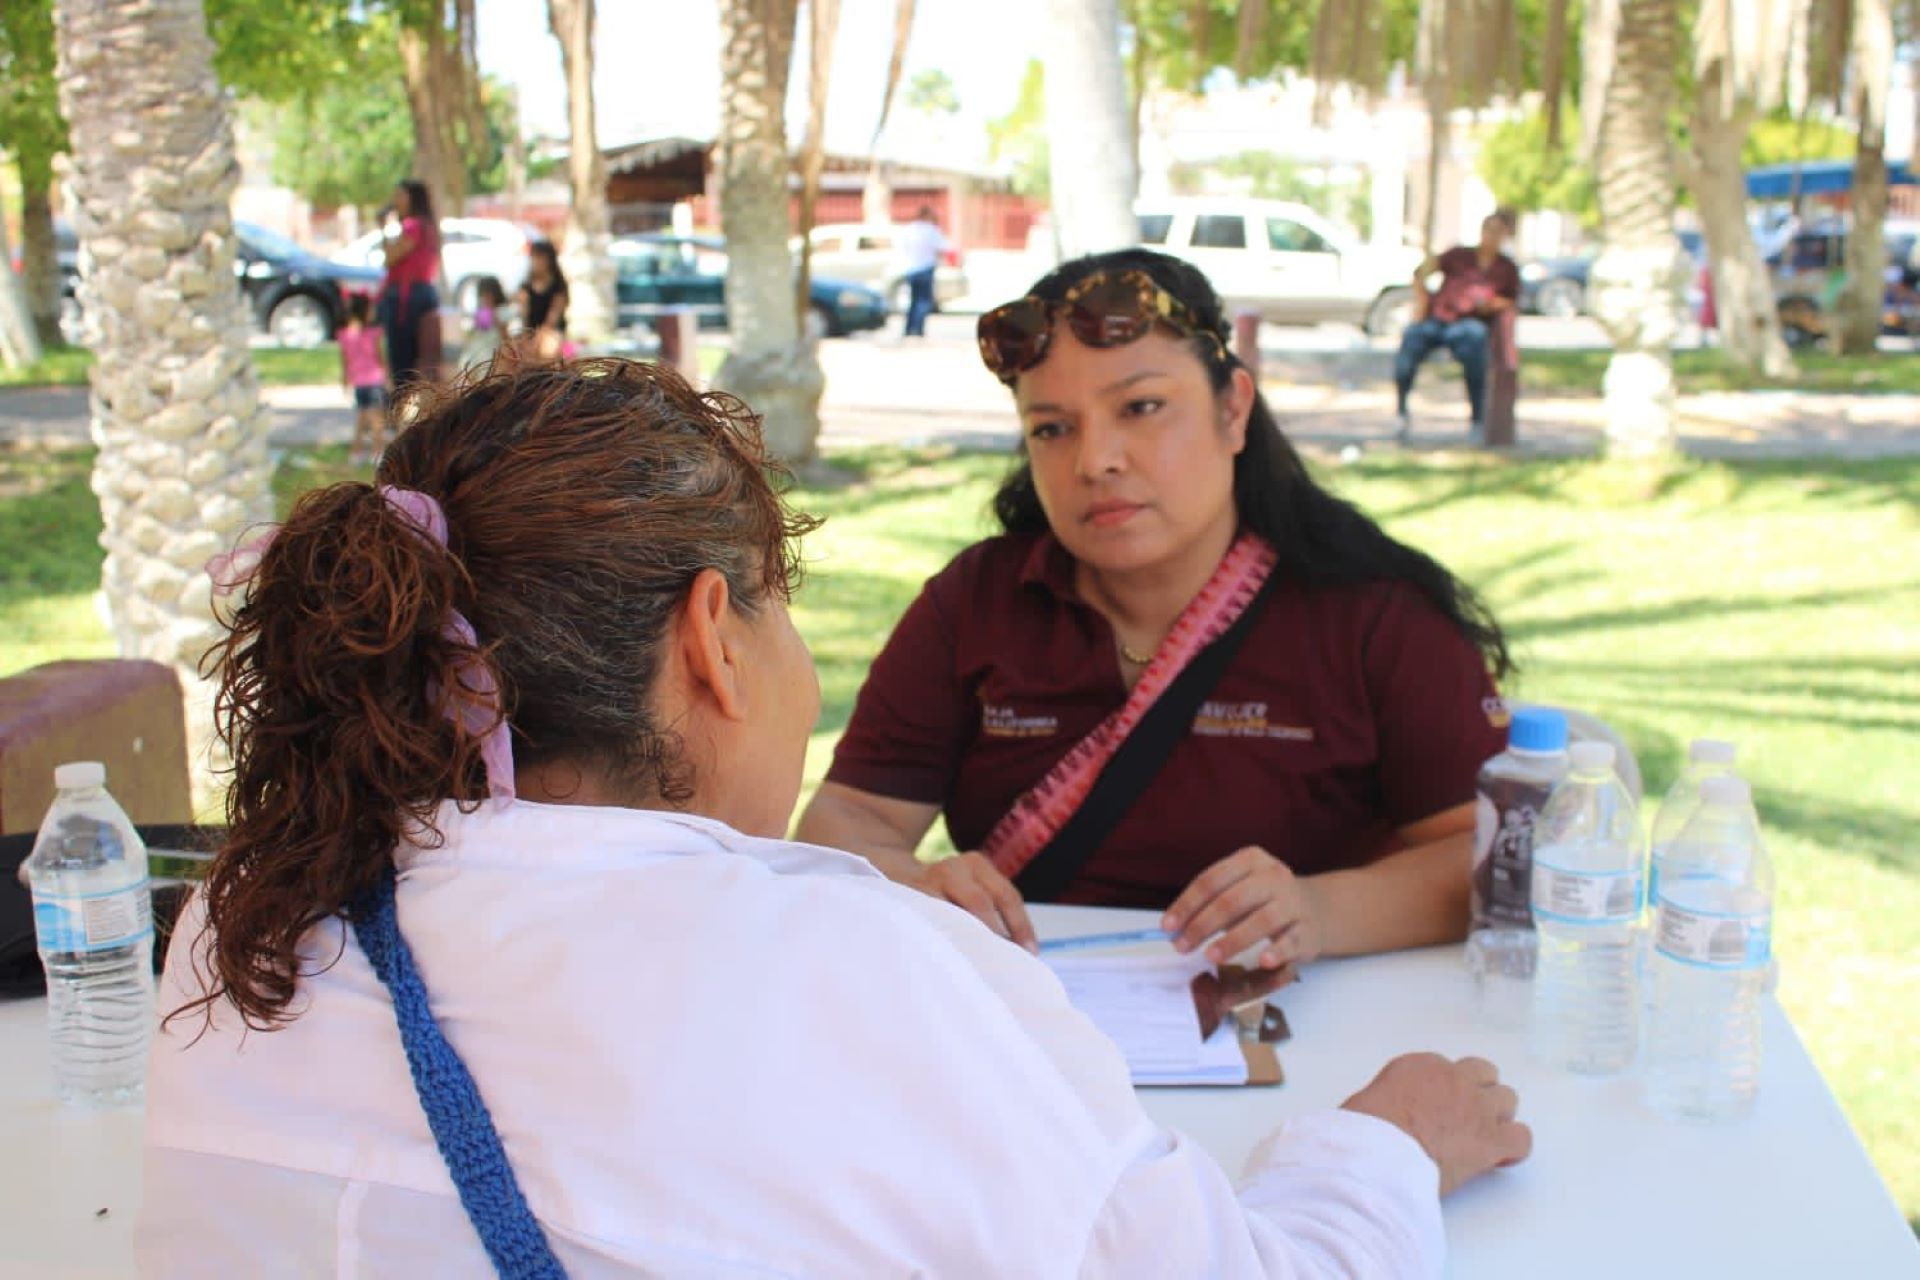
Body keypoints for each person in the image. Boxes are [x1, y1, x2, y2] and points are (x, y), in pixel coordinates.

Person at [143, 359, 1528, 1275]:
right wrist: (1381, 1146)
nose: (1102, 460)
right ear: (712, 642)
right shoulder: (869, 962)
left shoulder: (236, 920)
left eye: (1144, 408)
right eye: (782, 610)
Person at [796, 249, 1511, 969]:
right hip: (1031, 1040)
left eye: (1141, 408)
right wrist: (916, 885)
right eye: (1052, 427)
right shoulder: (979, 603)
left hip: (1305, 1042)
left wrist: (1319, 912)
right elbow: (845, 821)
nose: (1095, 460)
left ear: (1233, 410)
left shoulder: (1372, 617)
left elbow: (1485, 852)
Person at [1393, 209, 1520, 444]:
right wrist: (1422, 304)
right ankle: (1401, 412)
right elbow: (1421, 273)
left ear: (1505, 235)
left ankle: (1477, 420)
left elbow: (1511, 300)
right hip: (1438, 319)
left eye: (1497, 232)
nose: (1491, 236)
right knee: (1411, 339)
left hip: (1471, 323)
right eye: (1487, 230)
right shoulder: (1458, 255)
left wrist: (1491, 305)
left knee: (1474, 347)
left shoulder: (1506, 268)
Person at [378, 179, 443, 390]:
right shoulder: (429, 226)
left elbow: (391, 258)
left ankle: (402, 406)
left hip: (406, 297)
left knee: (402, 362)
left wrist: (385, 229)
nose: (395, 201)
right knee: (424, 358)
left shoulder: (412, 226)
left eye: (400, 196)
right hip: (424, 293)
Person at [336, 292, 389, 464]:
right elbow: (380, 358)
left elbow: (344, 360)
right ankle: (378, 452)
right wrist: (388, 378)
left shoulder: (344, 335)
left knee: (361, 417)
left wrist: (345, 380)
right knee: (377, 420)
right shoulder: (374, 333)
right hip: (375, 381)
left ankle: (356, 452)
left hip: (359, 382)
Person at [894, 204, 950, 338]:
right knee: (923, 301)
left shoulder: (908, 230)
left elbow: (901, 248)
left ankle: (909, 328)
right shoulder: (931, 231)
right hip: (925, 268)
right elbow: (944, 248)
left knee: (913, 300)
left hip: (911, 269)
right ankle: (917, 329)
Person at [515, 239, 570, 359]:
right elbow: (524, 318)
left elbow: (552, 321)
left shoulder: (558, 286)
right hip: (530, 333)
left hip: (552, 334)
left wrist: (537, 341)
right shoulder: (526, 287)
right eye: (534, 257)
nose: (536, 261)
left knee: (548, 348)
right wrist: (526, 339)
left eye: (540, 257)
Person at [457, 275, 509, 375]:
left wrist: (493, 313)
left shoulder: (503, 312)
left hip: (492, 351)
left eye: (488, 294)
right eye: (482, 294)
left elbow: (505, 336)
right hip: (476, 350)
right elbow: (472, 334)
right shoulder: (479, 311)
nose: (485, 297)